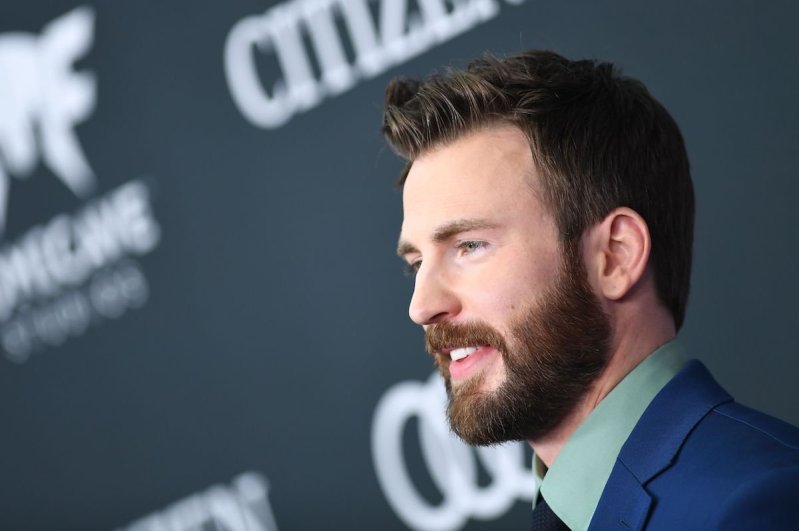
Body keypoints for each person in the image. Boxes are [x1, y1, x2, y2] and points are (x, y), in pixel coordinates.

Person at [384, 50, 799, 530]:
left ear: (615, 256)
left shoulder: (755, 506)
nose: (422, 306)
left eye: (470, 245)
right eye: (416, 262)